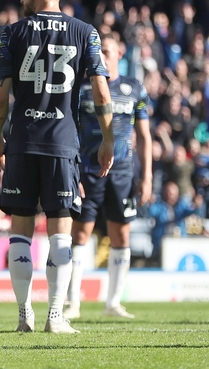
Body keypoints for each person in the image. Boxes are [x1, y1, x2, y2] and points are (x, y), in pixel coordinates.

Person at [0, 0, 115, 334]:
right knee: (61, 233)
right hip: (62, 143)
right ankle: (55, 316)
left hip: (24, 141)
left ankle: (23, 314)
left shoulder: (12, 32)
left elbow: (0, 94)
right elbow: (101, 90)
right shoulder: (85, 32)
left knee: (20, 231)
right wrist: (108, 139)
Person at [65, 33, 152, 320]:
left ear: (120, 53)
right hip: (88, 171)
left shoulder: (134, 88)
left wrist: (147, 176)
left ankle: (113, 302)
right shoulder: (82, 87)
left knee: (121, 235)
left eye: (108, 50)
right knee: (79, 234)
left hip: (123, 173)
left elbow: (144, 135)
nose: (102, 55)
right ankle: (72, 303)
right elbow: (70, 131)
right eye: (98, 50)